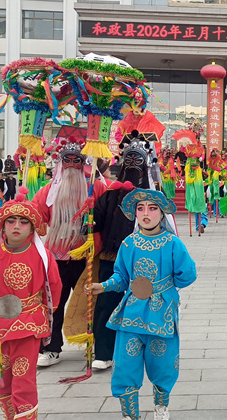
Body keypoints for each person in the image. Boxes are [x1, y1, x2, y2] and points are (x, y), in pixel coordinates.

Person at [86, 188, 196, 420]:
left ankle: (161, 406)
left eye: (152, 208)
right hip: (131, 312)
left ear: (162, 213)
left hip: (162, 313)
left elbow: (187, 276)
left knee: (163, 364)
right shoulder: (128, 244)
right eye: (140, 208)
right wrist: (103, 286)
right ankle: (129, 414)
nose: (146, 213)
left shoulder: (173, 244)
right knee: (125, 365)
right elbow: (121, 277)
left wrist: (167, 283)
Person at [0, 189, 62, 420]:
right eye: (11, 221)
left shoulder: (42, 256)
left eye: (23, 222)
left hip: (29, 323)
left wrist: (46, 315)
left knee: (23, 378)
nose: (16, 226)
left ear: (32, 227)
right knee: (0, 379)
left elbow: (54, 288)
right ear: (3, 226)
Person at [32, 138, 106, 367]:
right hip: (56, 257)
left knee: (91, 303)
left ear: (84, 163)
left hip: (87, 258)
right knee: (53, 303)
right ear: (60, 163)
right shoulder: (48, 191)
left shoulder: (96, 187)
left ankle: (96, 346)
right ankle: (51, 348)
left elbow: (108, 215)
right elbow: (35, 218)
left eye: (77, 160)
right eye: (68, 160)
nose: (72, 165)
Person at [91, 132, 155, 371]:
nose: (133, 165)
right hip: (112, 258)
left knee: (145, 304)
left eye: (138, 160)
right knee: (106, 303)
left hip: (145, 260)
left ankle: (143, 350)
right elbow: (96, 223)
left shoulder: (153, 198)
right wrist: (89, 217)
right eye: (129, 160)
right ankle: (103, 352)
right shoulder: (109, 195)